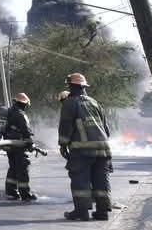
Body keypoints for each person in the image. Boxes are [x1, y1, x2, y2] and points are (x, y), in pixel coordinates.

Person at [58, 73, 112, 222]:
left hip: (82, 150)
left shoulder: (70, 103)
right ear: (84, 87)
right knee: (101, 181)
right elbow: (106, 129)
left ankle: (81, 212)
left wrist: (63, 144)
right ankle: (102, 212)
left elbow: (65, 126)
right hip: (103, 149)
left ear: (70, 86)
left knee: (79, 179)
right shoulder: (95, 102)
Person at [0, 92, 37, 201]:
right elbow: (26, 131)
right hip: (19, 146)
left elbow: (2, 129)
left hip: (9, 146)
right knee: (23, 169)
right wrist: (30, 143)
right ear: (24, 104)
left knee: (13, 168)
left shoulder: (7, 112)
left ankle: (11, 192)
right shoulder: (20, 114)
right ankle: (25, 194)